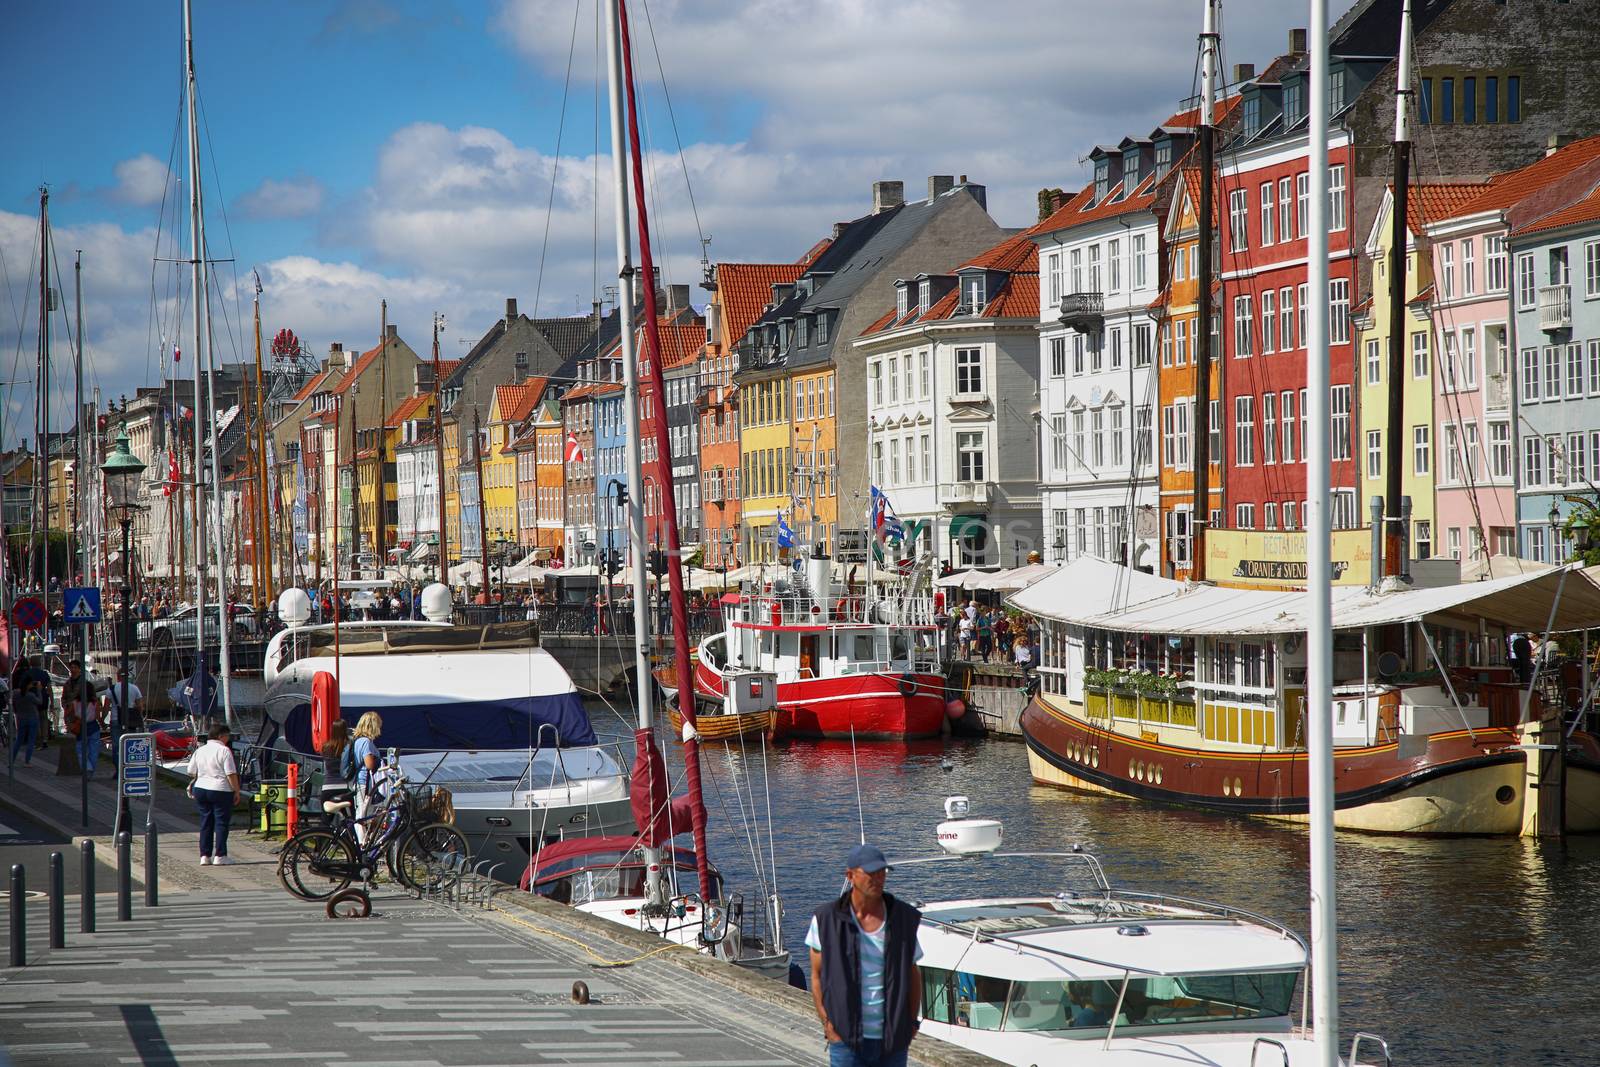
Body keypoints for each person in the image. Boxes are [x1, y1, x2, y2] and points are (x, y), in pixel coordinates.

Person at [807, 844, 923, 1067]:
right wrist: (827, 1022)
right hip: (845, 1040)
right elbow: (816, 975)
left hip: (893, 1041)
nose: (878, 878)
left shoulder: (902, 919)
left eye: (882, 872)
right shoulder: (826, 920)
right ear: (850, 876)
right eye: (871, 873)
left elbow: (913, 973)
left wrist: (911, 1022)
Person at [187, 723, 241, 865]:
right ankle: (220, 855)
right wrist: (236, 790)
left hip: (201, 788)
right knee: (221, 823)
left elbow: (190, 770)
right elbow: (231, 773)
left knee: (206, 822)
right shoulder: (224, 750)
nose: (228, 739)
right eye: (227, 736)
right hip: (220, 789)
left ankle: (204, 855)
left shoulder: (200, 750)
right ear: (221, 736)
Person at [350, 711, 384, 844]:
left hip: (360, 782)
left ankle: (362, 843)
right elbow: (369, 764)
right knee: (362, 815)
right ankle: (361, 845)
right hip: (364, 783)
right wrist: (379, 761)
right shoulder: (366, 742)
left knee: (363, 814)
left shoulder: (357, 740)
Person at [62, 661, 101, 775]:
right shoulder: (68, 684)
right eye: (71, 667)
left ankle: (88, 768)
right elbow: (64, 699)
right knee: (89, 749)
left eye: (75, 667)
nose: (73, 670)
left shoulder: (84, 684)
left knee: (81, 749)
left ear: (79, 669)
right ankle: (89, 769)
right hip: (83, 723)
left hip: (79, 721)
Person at [319, 719, 353, 824]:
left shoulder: (325, 747)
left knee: (325, 820)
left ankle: (321, 838)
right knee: (350, 819)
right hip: (344, 788)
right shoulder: (349, 746)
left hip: (327, 788)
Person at [9, 676, 43, 766]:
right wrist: (39, 690)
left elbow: (10, 700)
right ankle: (27, 761)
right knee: (31, 740)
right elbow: (40, 702)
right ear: (28, 685)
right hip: (32, 717)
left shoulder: (15, 693)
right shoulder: (30, 695)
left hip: (20, 717)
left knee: (19, 740)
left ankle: (11, 760)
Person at [103, 667, 145, 736]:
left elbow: (106, 708)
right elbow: (140, 707)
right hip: (130, 720)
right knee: (129, 742)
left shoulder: (111, 689)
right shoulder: (135, 688)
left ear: (117, 676)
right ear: (127, 676)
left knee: (117, 744)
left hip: (115, 719)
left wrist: (102, 720)